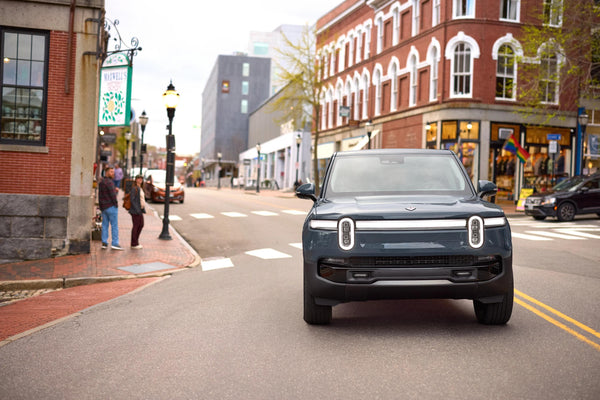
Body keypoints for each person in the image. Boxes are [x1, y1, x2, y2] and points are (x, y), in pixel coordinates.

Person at [98, 166, 123, 250]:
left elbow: (100, 195)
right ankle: (115, 243)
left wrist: (101, 207)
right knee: (114, 225)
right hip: (111, 207)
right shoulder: (110, 183)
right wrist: (116, 205)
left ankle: (104, 242)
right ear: (107, 172)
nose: (113, 173)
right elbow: (113, 196)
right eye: (111, 172)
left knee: (105, 225)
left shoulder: (101, 182)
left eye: (113, 172)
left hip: (104, 207)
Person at [129, 174, 146, 249]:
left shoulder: (140, 188)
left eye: (141, 179)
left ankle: (136, 241)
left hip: (140, 210)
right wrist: (137, 209)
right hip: (136, 211)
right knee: (136, 226)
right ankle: (134, 243)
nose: (140, 180)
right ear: (136, 180)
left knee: (141, 225)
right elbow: (132, 200)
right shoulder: (134, 188)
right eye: (138, 179)